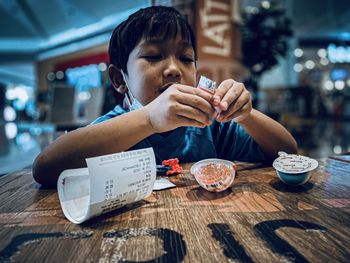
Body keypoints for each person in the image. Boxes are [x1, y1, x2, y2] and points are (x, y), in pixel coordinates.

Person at [33, 6, 297, 187]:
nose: (173, 69)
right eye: (154, 56)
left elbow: (287, 152)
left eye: (185, 58)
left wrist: (246, 115)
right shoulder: (114, 129)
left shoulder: (211, 126)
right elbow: (45, 169)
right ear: (119, 79)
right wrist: (149, 119)